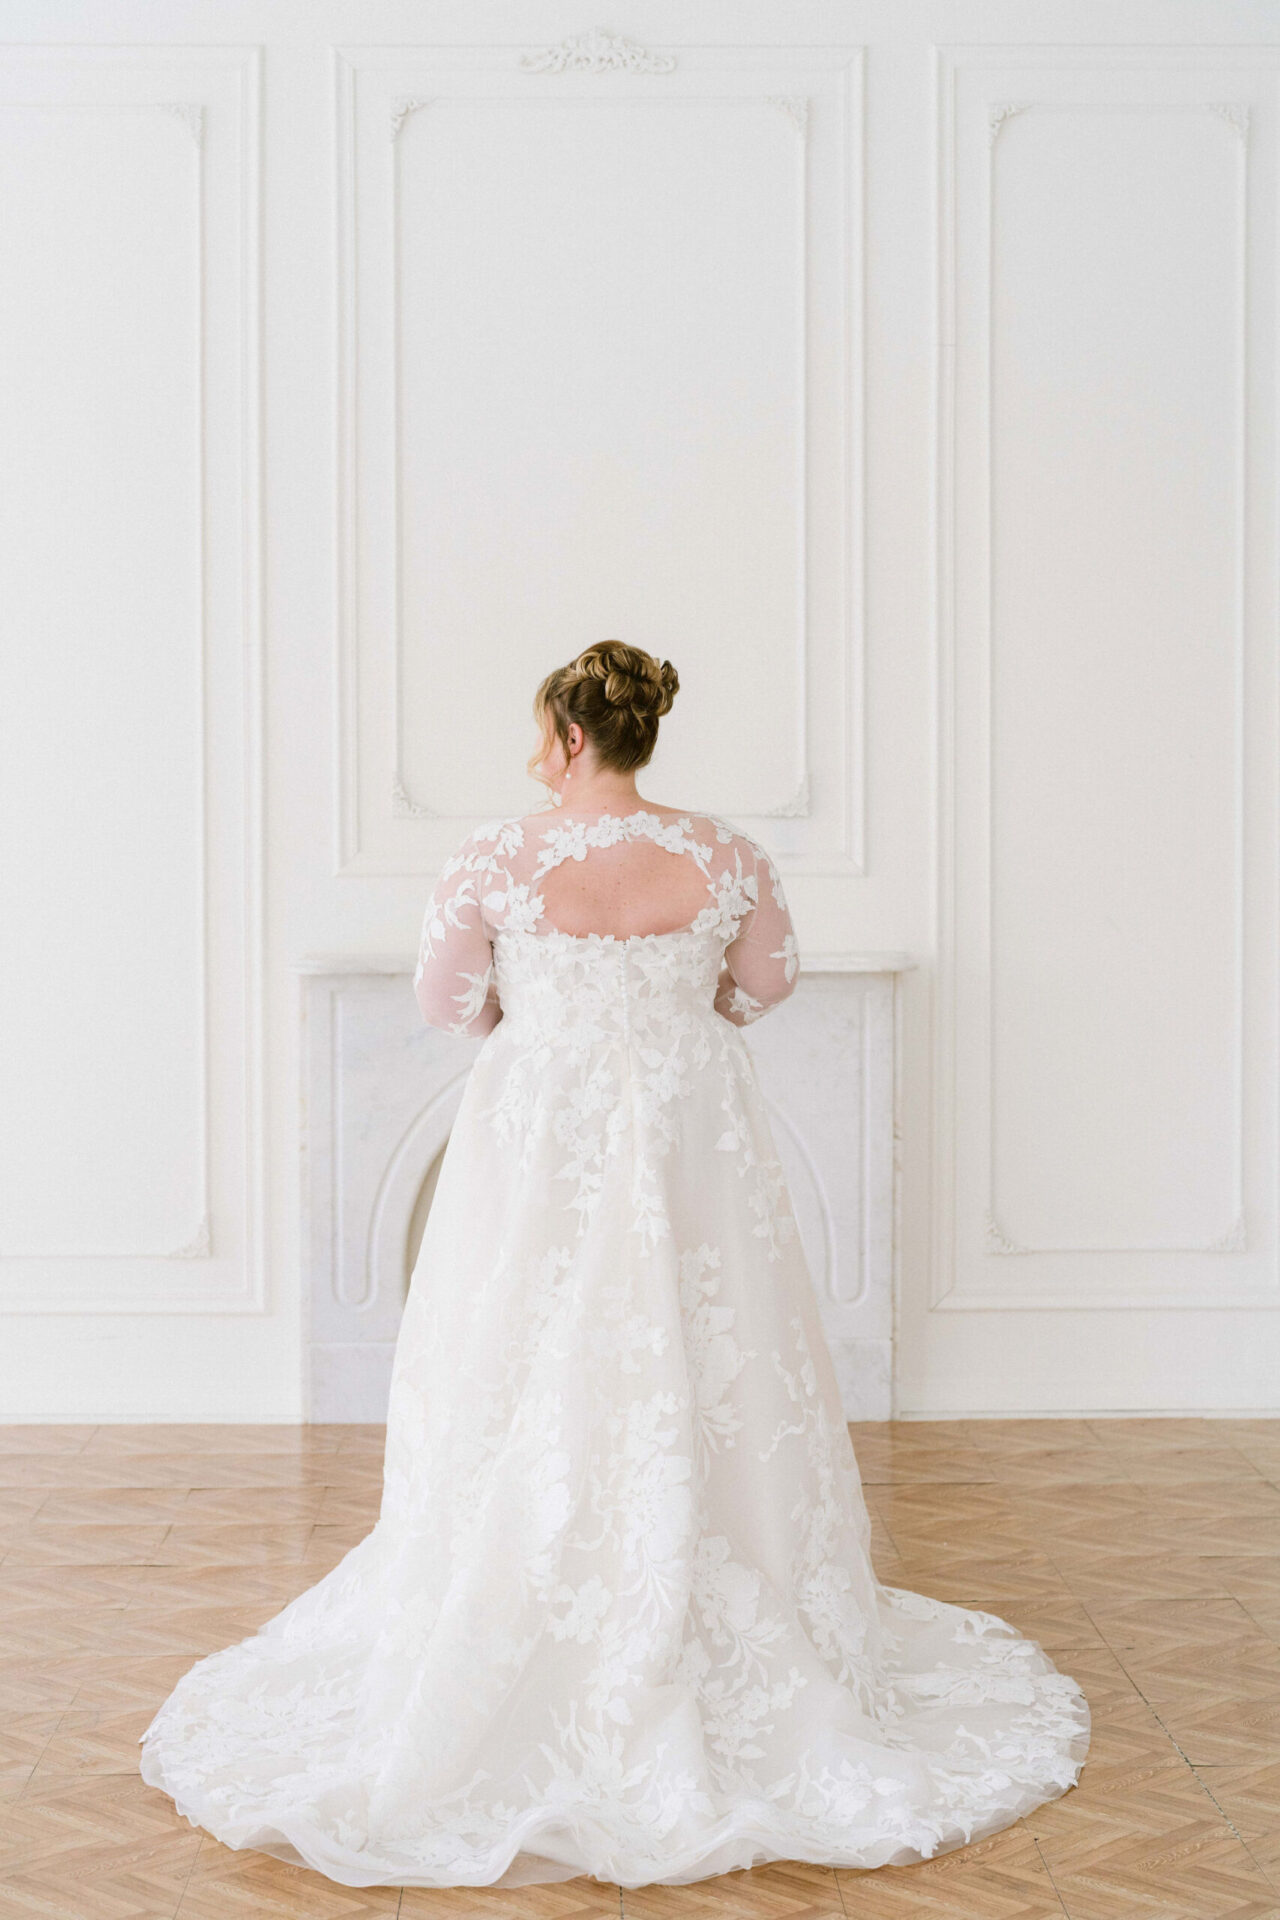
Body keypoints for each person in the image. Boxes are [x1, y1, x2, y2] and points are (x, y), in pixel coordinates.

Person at [139, 640, 1089, 1889]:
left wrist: (538, 1018)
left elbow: (444, 1004)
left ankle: (522, 1603)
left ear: (570, 734)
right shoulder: (725, 855)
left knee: (517, 1343)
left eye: (541, 728)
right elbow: (766, 988)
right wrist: (671, 1012)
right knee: (701, 1342)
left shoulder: (495, 855)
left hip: (541, 1131)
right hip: (691, 1126)